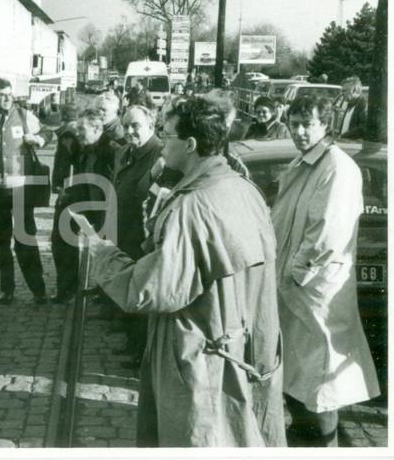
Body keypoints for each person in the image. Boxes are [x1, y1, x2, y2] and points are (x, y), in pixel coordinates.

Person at [80, 96, 286, 447]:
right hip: (244, 350)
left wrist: (102, 254)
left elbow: (148, 289)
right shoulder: (244, 188)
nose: (161, 140)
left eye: (166, 133)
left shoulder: (191, 205)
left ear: (190, 145)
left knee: (199, 438)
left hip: (200, 361)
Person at [271, 95, 380, 447]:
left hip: (317, 293)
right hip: (293, 290)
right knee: (297, 375)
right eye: (294, 124)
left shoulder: (337, 167)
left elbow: (327, 234)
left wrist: (292, 275)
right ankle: (305, 437)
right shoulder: (302, 163)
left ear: (325, 124)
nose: (300, 132)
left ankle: (326, 445)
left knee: (321, 381)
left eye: (309, 124)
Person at [0, 77, 50, 305]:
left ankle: (38, 290)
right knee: (2, 242)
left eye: (10, 93)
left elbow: (49, 132)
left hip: (21, 191)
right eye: (2, 94)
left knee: (26, 240)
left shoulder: (24, 116)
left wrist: (38, 139)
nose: (8, 97)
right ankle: (6, 289)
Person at [110, 106, 163, 370]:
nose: (130, 130)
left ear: (151, 124)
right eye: (127, 125)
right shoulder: (127, 152)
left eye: (136, 126)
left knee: (142, 295)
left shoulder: (159, 154)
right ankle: (133, 345)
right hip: (125, 234)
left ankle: (141, 352)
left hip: (144, 239)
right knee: (131, 291)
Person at [50, 108, 118, 303]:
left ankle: (106, 294)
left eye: (82, 129)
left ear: (97, 128)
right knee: (60, 240)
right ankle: (67, 289)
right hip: (82, 203)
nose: (77, 133)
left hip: (102, 209)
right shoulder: (86, 146)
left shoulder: (110, 150)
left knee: (105, 251)